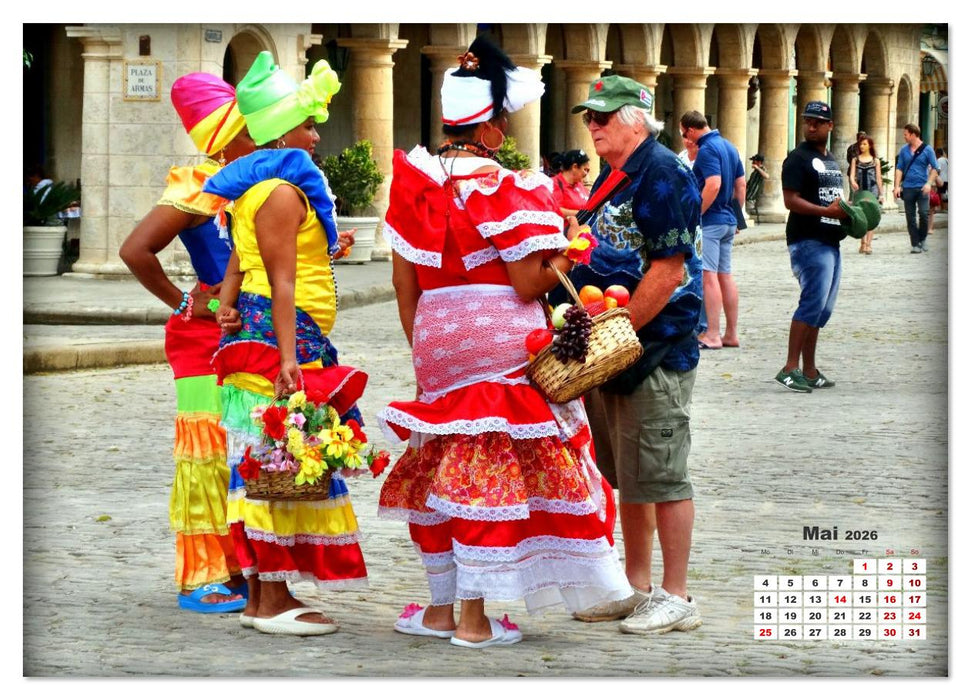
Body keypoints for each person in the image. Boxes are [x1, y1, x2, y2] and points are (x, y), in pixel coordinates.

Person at [377, 35, 630, 649]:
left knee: (444, 467)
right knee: (489, 475)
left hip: (436, 333)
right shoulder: (506, 185)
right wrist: (572, 250)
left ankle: (442, 608)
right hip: (498, 335)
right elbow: (526, 282)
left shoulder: (414, 182)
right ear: (488, 129)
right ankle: (473, 618)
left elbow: (404, 285)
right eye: (504, 123)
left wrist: (428, 349)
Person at [202, 51, 367, 636]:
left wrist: (224, 304)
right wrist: (291, 357)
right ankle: (270, 598)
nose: (316, 136)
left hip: (269, 332)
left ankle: (263, 595)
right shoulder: (278, 192)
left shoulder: (260, 189)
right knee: (272, 459)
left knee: (266, 459)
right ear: (280, 133)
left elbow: (239, 263)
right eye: (307, 126)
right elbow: (281, 282)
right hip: (278, 339)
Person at [566, 75, 704, 635]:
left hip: (654, 346)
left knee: (662, 475)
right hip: (616, 347)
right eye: (589, 117)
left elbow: (669, 270)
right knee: (631, 474)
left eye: (602, 116)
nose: (592, 125)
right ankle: (636, 586)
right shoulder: (616, 172)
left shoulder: (662, 171)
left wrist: (617, 331)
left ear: (635, 120)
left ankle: (677, 596)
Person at [118, 73, 254, 613]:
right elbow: (135, 250)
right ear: (224, 136)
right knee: (206, 457)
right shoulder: (200, 183)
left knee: (242, 452)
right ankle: (202, 576)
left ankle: (238, 566)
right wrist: (184, 303)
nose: (265, 139)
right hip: (203, 339)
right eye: (251, 130)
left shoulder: (262, 182)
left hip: (252, 333)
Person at [774, 101, 849, 393]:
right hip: (807, 240)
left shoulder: (830, 159)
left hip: (831, 240)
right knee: (811, 303)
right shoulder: (797, 158)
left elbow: (834, 198)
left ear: (830, 125)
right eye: (808, 121)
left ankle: (810, 369)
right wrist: (825, 212)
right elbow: (790, 200)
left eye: (818, 122)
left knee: (823, 309)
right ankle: (789, 368)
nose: (811, 126)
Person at [680, 110, 745, 350]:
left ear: (691, 130)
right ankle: (731, 334)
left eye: (684, 133)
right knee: (725, 275)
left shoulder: (707, 149)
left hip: (711, 221)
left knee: (709, 276)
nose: (685, 138)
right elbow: (741, 184)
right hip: (728, 219)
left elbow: (713, 184)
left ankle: (713, 334)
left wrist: (696, 214)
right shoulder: (729, 146)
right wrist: (737, 217)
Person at [893, 123, 939, 254]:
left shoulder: (927, 149)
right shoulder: (904, 150)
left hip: (923, 188)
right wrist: (897, 186)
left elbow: (935, 168)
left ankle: (922, 238)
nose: (904, 137)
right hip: (908, 187)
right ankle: (915, 243)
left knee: (924, 214)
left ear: (913, 135)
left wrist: (929, 183)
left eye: (906, 135)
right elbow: (899, 168)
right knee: (910, 217)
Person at [848, 135, 884, 254]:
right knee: (861, 217)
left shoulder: (875, 161)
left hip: (872, 191)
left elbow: (878, 178)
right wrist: (853, 182)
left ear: (870, 145)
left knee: (871, 216)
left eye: (864, 144)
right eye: (861, 144)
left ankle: (868, 244)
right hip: (860, 191)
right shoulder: (855, 160)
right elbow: (852, 175)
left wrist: (881, 194)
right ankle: (862, 243)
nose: (862, 146)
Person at [551, 148, 591, 217]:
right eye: (585, 170)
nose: (586, 174)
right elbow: (554, 210)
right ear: (574, 167)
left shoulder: (579, 185)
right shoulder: (554, 184)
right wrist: (582, 215)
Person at [934, 147, 948, 211]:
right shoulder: (946, 160)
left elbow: (938, 170)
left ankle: (943, 208)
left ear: (938, 153)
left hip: (941, 179)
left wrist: (935, 177)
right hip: (946, 178)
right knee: (944, 193)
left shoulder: (939, 160)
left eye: (935, 153)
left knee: (941, 194)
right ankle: (944, 208)